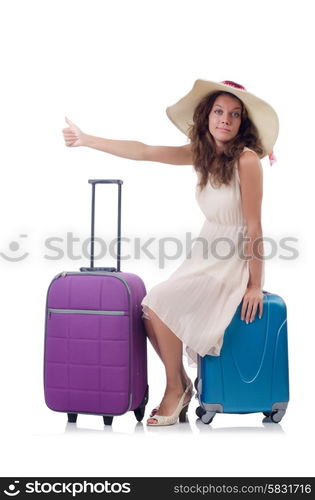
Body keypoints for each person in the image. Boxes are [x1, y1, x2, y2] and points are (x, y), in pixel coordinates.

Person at [62, 78, 279, 427]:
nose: (225, 119)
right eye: (219, 111)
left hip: (232, 259)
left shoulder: (247, 160)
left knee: (158, 301)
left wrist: (255, 284)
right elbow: (145, 150)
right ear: (206, 116)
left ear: (242, 123)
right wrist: (88, 140)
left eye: (234, 115)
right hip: (205, 251)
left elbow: (254, 228)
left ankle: (175, 389)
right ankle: (178, 384)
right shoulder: (202, 154)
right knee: (151, 309)